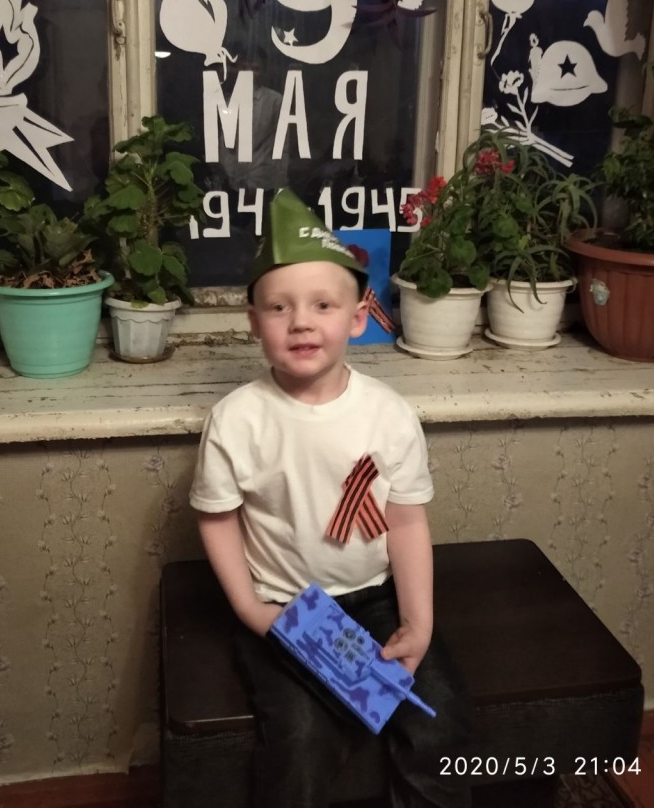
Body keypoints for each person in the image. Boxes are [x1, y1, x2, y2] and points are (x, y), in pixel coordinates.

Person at [190, 188, 472, 808]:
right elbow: (216, 518)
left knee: (440, 722)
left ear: (358, 317)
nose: (301, 321)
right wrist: (251, 609)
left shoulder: (389, 415)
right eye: (279, 307)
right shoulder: (236, 420)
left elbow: (406, 522)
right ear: (253, 322)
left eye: (323, 304)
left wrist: (417, 623)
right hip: (285, 607)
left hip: (377, 599)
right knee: (299, 741)